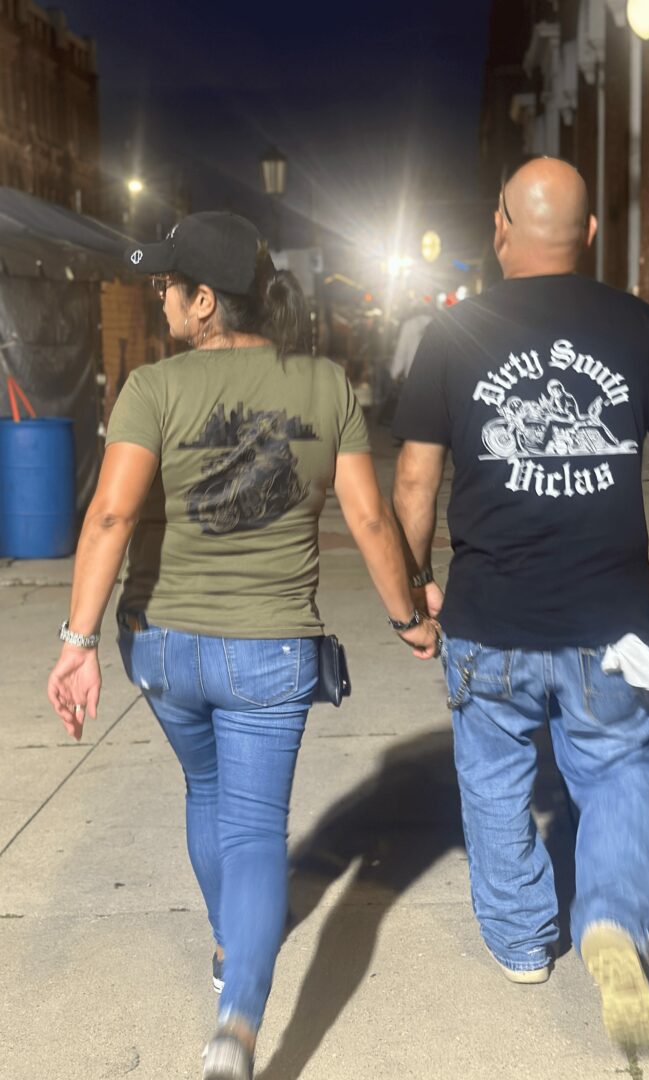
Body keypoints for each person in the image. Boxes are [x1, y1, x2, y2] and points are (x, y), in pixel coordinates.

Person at [46, 211, 439, 1080]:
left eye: (167, 284)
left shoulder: (152, 389)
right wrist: (410, 616)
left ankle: (230, 942)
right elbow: (370, 519)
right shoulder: (325, 385)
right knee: (256, 829)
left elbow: (109, 516)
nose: (158, 296)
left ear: (205, 301)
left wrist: (77, 642)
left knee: (205, 788)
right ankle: (237, 1022)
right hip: (270, 651)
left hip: (162, 647)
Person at [391, 158, 649, 1050]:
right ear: (590, 235)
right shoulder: (637, 324)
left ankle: (523, 942)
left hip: (489, 614)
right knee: (618, 770)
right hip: (610, 614)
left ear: (499, 227)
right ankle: (613, 921)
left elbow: (413, 479)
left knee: (495, 777)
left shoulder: (453, 333)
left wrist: (416, 584)